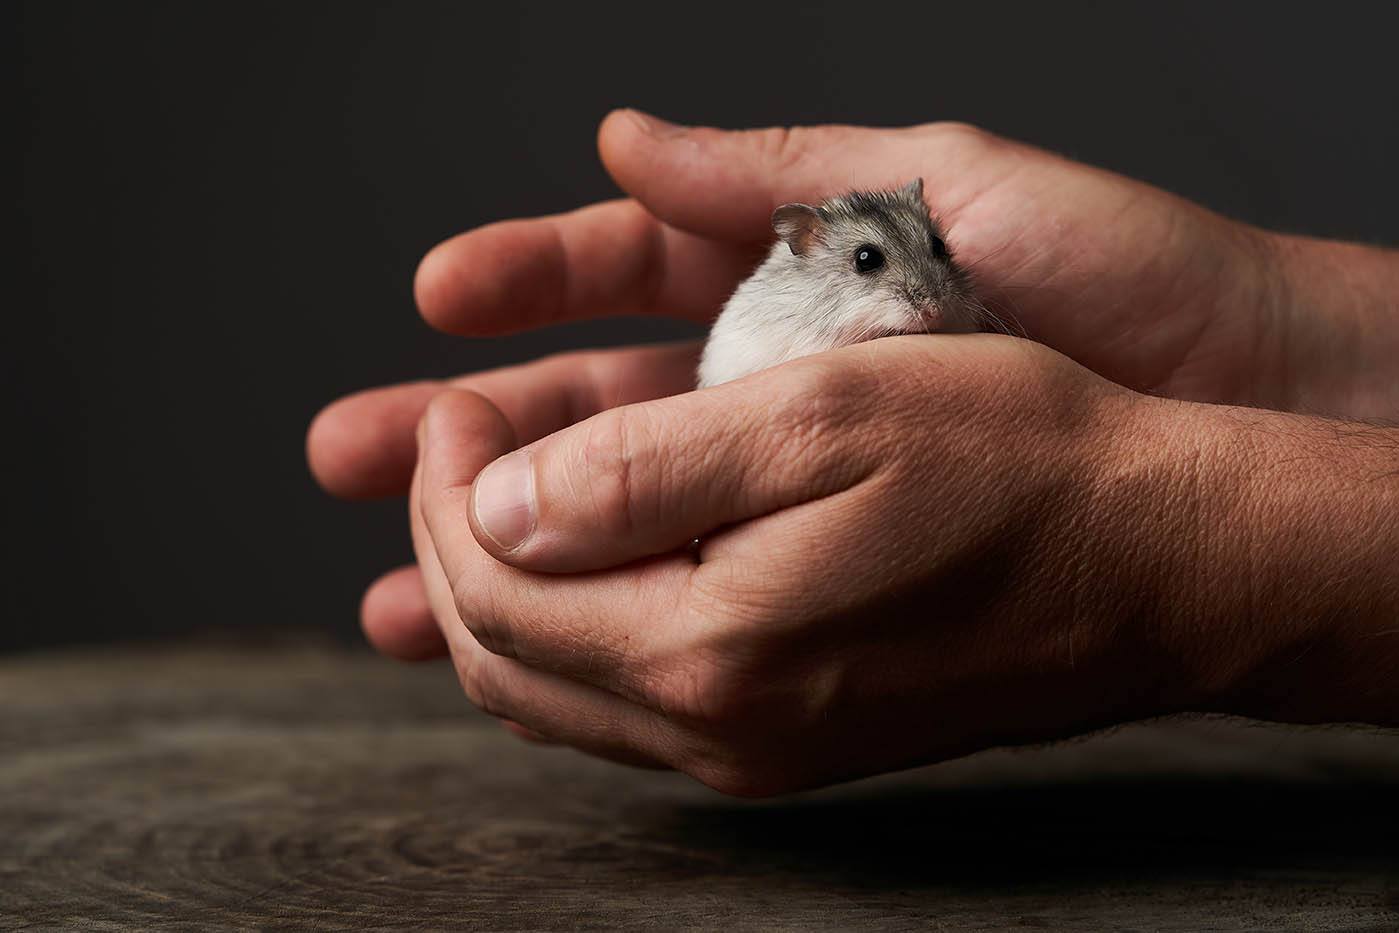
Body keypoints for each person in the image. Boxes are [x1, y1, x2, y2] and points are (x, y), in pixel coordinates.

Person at [307, 111, 1399, 796]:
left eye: (935, 257)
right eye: (879, 264)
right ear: (804, 249)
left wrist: (1182, 531)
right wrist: (1288, 327)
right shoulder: (770, 311)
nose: (928, 291)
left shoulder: (960, 310)